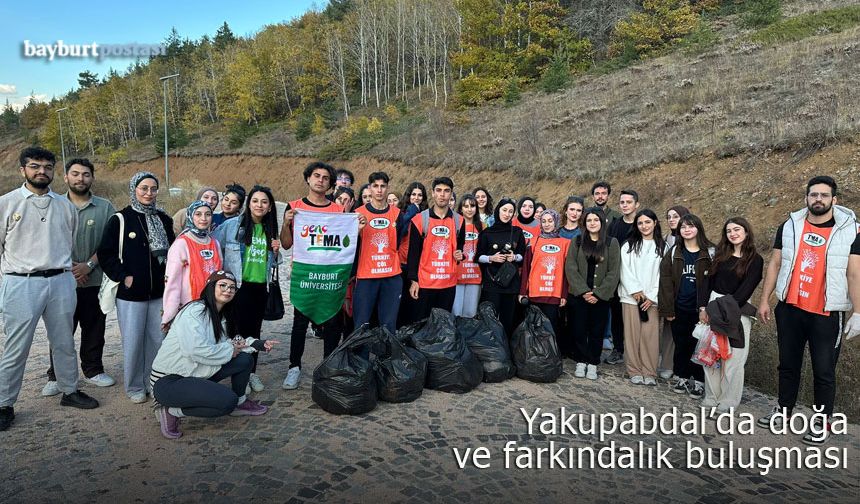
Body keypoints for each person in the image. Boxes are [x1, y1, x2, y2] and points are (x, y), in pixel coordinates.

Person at [0, 147, 100, 432]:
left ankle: (69, 391)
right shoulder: (6, 204)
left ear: (54, 171)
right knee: (16, 347)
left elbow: (67, 241)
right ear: (22, 170)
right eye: (34, 166)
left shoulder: (65, 206)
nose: (41, 171)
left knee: (64, 341)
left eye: (47, 166)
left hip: (60, 280)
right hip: (22, 282)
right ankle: (5, 404)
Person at [757, 176, 860, 445]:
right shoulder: (790, 225)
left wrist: (858, 313)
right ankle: (784, 409)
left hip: (826, 313)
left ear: (834, 200)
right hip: (790, 308)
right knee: (787, 364)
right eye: (814, 194)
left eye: (824, 195)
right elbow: (775, 263)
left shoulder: (852, 231)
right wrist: (765, 300)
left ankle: (822, 420)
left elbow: (854, 273)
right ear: (806, 197)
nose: (818, 199)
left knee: (824, 370)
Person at [150, 271, 276, 439]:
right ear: (211, 287)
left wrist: (258, 344)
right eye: (222, 285)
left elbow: (234, 343)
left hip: (195, 372)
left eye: (232, 287)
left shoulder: (222, 317)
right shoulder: (195, 311)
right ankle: (172, 411)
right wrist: (230, 350)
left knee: (245, 359)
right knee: (226, 402)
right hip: (169, 381)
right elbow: (195, 350)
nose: (228, 290)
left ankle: (240, 402)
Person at [42, 158, 117, 396]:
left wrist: (88, 265)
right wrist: (70, 270)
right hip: (60, 282)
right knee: (60, 330)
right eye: (75, 174)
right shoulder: (52, 205)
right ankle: (56, 376)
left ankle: (93, 370)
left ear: (92, 178)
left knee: (94, 328)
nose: (80, 178)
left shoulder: (105, 207)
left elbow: (111, 243)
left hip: (94, 280)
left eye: (85, 174)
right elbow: (45, 242)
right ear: (65, 177)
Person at [99, 171, 175, 404]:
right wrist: (124, 276)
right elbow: (105, 253)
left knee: (157, 340)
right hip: (131, 294)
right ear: (134, 189)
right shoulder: (120, 219)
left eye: (153, 189)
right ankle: (134, 386)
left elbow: (172, 251)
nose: (148, 193)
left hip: (158, 294)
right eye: (144, 188)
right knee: (133, 341)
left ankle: (153, 382)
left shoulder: (163, 219)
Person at [279, 162, 351, 390]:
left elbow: (344, 243)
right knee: (299, 324)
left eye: (325, 178)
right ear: (308, 178)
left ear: (330, 184)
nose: (320, 180)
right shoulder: (295, 207)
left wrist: (355, 228)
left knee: (332, 323)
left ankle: (328, 366)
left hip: (331, 277)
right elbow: (286, 243)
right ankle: (294, 367)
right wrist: (286, 222)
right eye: (316, 176)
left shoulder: (339, 211)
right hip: (305, 276)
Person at [212, 185, 281, 394]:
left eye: (264, 202)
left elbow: (274, 264)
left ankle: (251, 372)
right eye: (255, 201)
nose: (259, 205)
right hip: (237, 288)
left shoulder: (270, 229)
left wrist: (276, 252)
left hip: (260, 288)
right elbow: (214, 248)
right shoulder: (232, 226)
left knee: (255, 333)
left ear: (270, 207)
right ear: (248, 204)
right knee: (237, 333)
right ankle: (238, 375)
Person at [701, 217, 763, 412]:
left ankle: (728, 401)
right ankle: (712, 396)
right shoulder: (720, 255)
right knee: (710, 354)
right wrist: (703, 308)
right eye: (729, 231)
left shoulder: (755, 260)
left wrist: (722, 311)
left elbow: (745, 292)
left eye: (737, 229)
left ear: (746, 232)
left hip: (738, 311)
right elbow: (708, 282)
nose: (733, 233)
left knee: (734, 358)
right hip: (712, 307)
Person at [658, 213, 713, 399]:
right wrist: (668, 309)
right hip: (679, 307)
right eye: (683, 227)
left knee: (699, 346)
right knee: (681, 344)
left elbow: (715, 282)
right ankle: (681, 376)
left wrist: (708, 309)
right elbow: (665, 281)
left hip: (701, 311)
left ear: (698, 228)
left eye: (691, 226)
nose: (687, 230)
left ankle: (699, 382)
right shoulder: (675, 252)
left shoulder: (710, 252)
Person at [566, 207, 621, 381]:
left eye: (595, 220)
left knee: (597, 330)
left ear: (602, 222)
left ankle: (593, 362)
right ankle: (581, 360)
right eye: (589, 220)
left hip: (601, 297)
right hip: (579, 295)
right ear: (584, 223)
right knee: (579, 329)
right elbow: (571, 267)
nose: (592, 223)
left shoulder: (611, 243)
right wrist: (583, 291)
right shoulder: (577, 241)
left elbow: (614, 271)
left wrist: (597, 293)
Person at [619, 209, 666, 386]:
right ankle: (634, 370)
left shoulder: (663, 246)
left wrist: (652, 296)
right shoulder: (629, 245)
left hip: (651, 300)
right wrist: (636, 292)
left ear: (655, 223)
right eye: (640, 223)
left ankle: (649, 371)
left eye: (647, 222)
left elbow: (664, 275)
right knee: (632, 336)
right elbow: (625, 270)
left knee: (650, 336)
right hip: (631, 298)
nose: (644, 226)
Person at [407, 177, 465, 319]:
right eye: (438, 190)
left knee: (443, 326)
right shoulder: (419, 220)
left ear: (451, 194)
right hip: (425, 283)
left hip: (448, 283)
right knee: (422, 324)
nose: (442, 194)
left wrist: (460, 256)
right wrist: (413, 280)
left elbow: (460, 249)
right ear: (432, 193)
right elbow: (413, 254)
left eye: (446, 191)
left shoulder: (459, 221)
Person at [162, 201, 223, 329]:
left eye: (208, 214)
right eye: (198, 214)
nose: (203, 219)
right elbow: (172, 281)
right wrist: (169, 314)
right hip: (187, 307)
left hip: (212, 306)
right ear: (190, 216)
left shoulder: (215, 243)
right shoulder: (181, 244)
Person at [353, 172, 402, 334]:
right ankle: (362, 359)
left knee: (389, 325)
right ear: (369, 188)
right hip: (367, 276)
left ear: (387, 188)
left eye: (382, 186)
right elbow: (349, 246)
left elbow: (400, 241)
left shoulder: (396, 214)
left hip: (391, 276)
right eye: (375, 186)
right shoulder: (358, 214)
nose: (379, 190)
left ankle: (388, 358)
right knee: (362, 324)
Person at [476, 198, 526, 336]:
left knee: (508, 319)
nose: (507, 214)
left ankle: (506, 349)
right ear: (498, 211)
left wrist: (514, 257)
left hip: (510, 283)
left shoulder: (517, 232)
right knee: (489, 318)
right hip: (491, 283)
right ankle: (491, 349)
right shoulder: (487, 233)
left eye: (511, 211)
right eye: (504, 210)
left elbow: (523, 255)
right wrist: (492, 258)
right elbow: (478, 256)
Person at [519, 209, 569, 339]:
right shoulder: (533, 242)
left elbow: (566, 272)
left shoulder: (565, 243)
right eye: (544, 221)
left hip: (554, 293)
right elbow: (526, 268)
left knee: (552, 328)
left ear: (556, 222)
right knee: (534, 328)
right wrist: (523, 291)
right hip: (535, 293)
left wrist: (564, 293)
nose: (547, 224)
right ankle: (536, 357)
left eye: (550, 221)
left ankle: (551, 356)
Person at [606, 189, 642, 366]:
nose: (625, 205)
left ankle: (638, 353)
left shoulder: (642, 224)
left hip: (638, 278)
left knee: (639, 317)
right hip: (617, 277)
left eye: (629, 202)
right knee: (617, 316)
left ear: (637, 204)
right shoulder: (614, 225)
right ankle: (618, 349)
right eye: (622, 202)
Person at [658, 205, 690, 379]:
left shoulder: (693, 239)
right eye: (669, 216)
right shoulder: (665, 239)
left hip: (688, 292)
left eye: (675, 216)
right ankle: (667, 364)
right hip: (670, 292)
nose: (671, 219)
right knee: (669, 330)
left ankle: (684, 369)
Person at [396, 182, 427, 327]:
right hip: (401, 263)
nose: (416, 198)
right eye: (413, 194)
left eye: (420, 195)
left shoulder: (426, 215)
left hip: (419, 263)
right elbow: (399, 232)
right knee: (400, 300)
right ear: (408, 196)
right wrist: (410, 213)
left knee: (414, 300)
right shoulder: (401, 213)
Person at [453, 194, 483, 318]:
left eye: (472, 206)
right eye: (465, 206)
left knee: (471, 313)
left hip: (475, 275)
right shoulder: (455, 225)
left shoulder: (483, 226)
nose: (469, 209)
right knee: (456, 312)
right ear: (460, 208)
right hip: (457, 275)